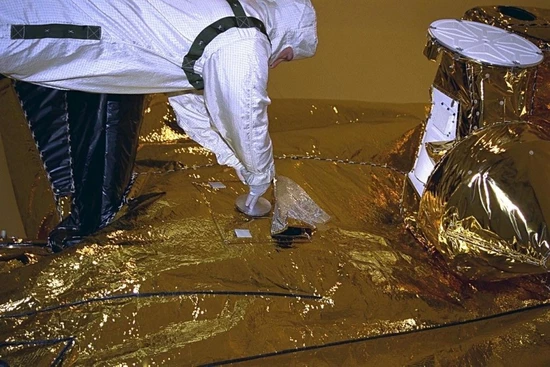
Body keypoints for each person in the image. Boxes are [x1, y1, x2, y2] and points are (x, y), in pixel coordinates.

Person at [0, 0, 319, 215]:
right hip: (48, 31)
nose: (277, 63)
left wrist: (237, 161)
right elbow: (245, 115)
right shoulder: (244, 40)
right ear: (286, 33)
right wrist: (261, 172)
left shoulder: (220, 19)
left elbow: (197, 110)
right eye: (287, 55)